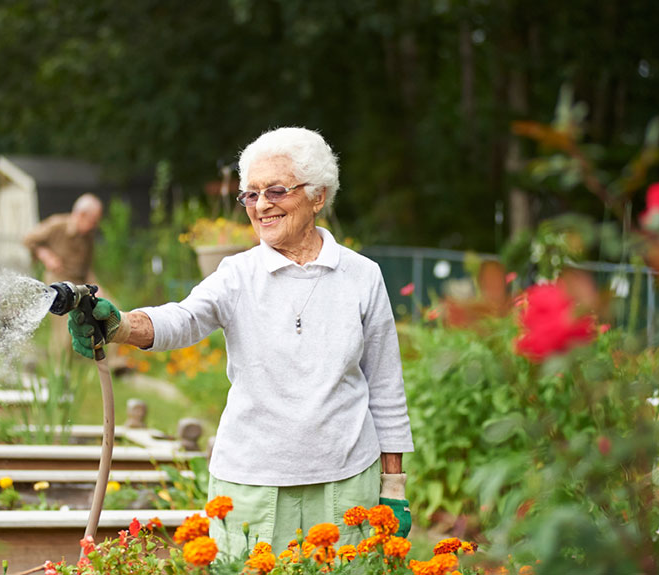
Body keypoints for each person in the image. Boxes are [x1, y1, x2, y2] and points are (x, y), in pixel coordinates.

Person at [68, 127, 414, 552]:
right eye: (251, 194)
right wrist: (120, 326)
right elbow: (184, 318)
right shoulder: (237, 274)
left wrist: (392, 485)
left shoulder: (362, 276)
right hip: (254, 485)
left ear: (318, 195)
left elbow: (385, 384)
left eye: (277, 190)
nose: (262, 205)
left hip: (346, 484)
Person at [24, 193, 103, 356]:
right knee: (65, 322)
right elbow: (28, 238)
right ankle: (59, 371)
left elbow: (87, 267)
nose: (95, 225)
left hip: (80, 281)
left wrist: (96, 287)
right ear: (81, 215)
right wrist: (45, 254)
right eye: (93, 221)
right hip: (58, 278)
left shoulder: (88, 236)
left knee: (110, 308)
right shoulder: (57, 225)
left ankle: (115, 364)